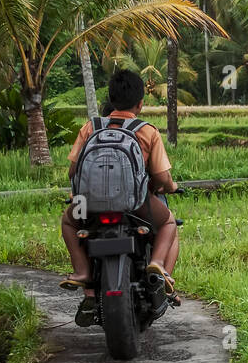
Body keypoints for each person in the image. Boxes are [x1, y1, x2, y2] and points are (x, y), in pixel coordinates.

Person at [61, 70, 181, 327]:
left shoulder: (90, 127)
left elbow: (73, 171)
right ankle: (159, 266)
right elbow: (161, 177)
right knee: (169, 223)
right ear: (140, 103)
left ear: (111, 99)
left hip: (88, 206)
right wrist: (170, 186)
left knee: (70, 223)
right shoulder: (147, 131)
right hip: (134, 205)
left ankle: (83, 274)